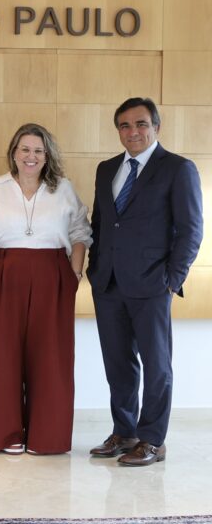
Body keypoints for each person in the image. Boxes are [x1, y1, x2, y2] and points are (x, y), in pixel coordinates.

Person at [87, 98, 202, 466]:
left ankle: (153, 439)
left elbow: (191, 230)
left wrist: (172, 279)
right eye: (124, 125)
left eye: (140, 124)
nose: (132, 132)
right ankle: (126, 431)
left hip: (153, 284)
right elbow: (101, 225)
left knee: (157, 366)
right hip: (109, 284)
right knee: (117, 363)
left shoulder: (178, 169)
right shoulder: (106, 169)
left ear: (156, 127)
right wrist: (95, 269)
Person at [0, 123, 91, 455]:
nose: (31, 156)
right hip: (3, 275)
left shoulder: (64, 189)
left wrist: (73, 274)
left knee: (51, 358)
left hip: (52, 275)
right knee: (1, 356)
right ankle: (5, 434)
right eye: (24, 149)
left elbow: (80, 232)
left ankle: (48, 436)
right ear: (14, 152)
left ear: (47, 155)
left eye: (38, 151)